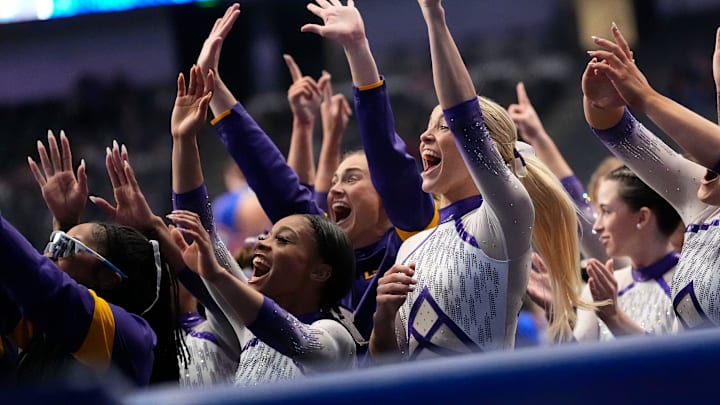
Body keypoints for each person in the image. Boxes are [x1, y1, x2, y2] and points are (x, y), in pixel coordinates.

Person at [301, 0, 584, 356]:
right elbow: (388, 363)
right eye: (427, 126)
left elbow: (464, 119)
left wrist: (435, 19)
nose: (424, 136)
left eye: (443, 126)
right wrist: (385, 317)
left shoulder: (503, 222)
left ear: (483, 151)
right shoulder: (410, 247)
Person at [194, 3, 437, 342]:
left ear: (387, 195)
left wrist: (356, 48)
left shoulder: (414, 237)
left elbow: (387, 156)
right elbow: (277, 187)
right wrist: (214, 89)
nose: (334, 189)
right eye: (335, 179)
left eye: (352, 178)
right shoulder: (326, 257)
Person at [169, 64, 357, 384]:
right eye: (267, 236)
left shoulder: (336, 335)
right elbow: (198, 228)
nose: (261, 243)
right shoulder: (247, 326)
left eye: (283, 240)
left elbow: (296, 340)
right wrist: (184, 140)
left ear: (320, 271)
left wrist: (219, 275)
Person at [0, 131, 180, 386]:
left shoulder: (129, 337)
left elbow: (44, 287)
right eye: (54, 242)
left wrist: (156, 228)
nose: (48, 252)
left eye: (64, 245)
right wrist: (64, 225)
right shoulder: (46, 332)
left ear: (108, 278)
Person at [583, 23, 720, 329]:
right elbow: (616, 132)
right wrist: (602, 99)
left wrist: (646, 97)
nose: (697, 161)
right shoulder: (702, 204)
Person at [574, 166, 682, 340]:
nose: (597, 226)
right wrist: (556, 312)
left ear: (642, 217)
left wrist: (614, 317)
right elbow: (575, 362)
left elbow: (680, 364)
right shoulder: (602, 289)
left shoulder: (688, 286)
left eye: (606, 211)